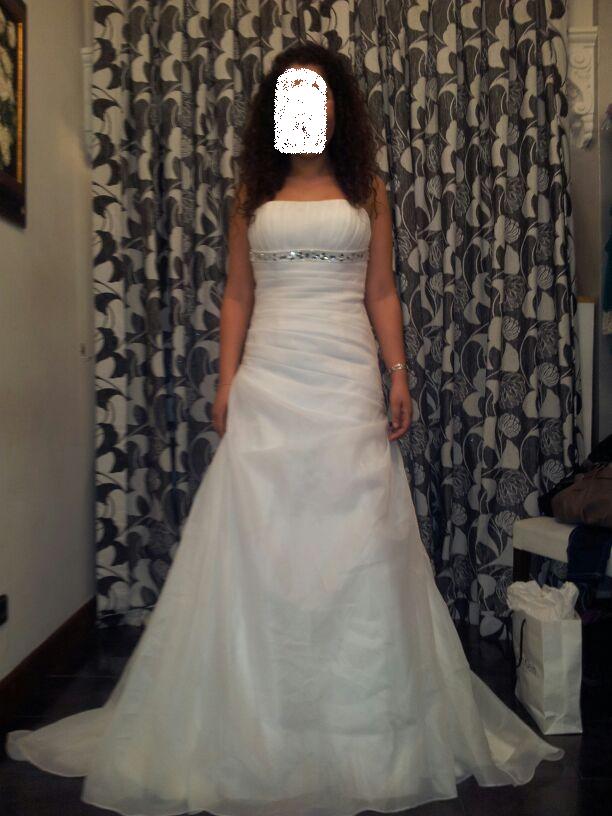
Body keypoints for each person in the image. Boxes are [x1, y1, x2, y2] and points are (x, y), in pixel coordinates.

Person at [5, 42, 564, 816]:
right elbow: (237, 293)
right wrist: (225, 379)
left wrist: (398, 374)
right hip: (270, 376)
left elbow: (382, 291)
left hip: (344, 377)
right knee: (263, 536)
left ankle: (361, 720)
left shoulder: (368, 189)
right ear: (276, 108)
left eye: (318, 92)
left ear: (337, 106)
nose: (306, 106)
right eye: (292, 93)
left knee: (356, 538)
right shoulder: (251, 192)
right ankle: (258, 717)